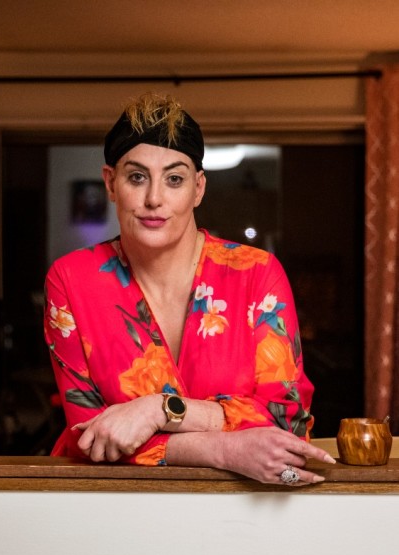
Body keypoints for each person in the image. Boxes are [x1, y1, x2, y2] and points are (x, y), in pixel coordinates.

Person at [43, 92, 335, 486]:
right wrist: (222, 449)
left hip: (245, 510)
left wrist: (159, 411)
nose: (154, 199)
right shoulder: (73, 279)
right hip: (109, 504)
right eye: (136, 177)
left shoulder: (256, 273)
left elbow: (286, 418)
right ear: (111, 183)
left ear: (198, 188)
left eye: (174, 179)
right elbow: (89, 434)